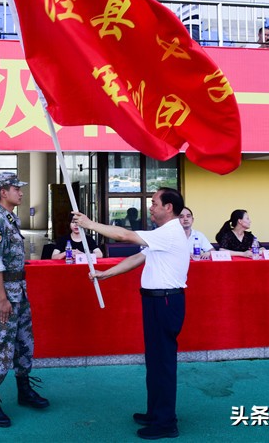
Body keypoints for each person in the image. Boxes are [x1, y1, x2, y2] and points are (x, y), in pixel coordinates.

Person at [73, 188, 188, 440]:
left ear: (169, 207)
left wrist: (89, 223)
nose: (151, 207)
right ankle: (156, 412)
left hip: (166, 302)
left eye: (155, 203)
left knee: (163, 363)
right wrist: (106, 274)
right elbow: (138, 258)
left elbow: (124, 235)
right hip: (157, 302)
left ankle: (166, 422)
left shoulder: (170, 232)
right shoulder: (161, 234)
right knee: (155, 361)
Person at [0, 172, 49, 428]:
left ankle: (23, 390)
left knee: (23, 342)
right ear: (3, 192)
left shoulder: (11, 219)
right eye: (16, 188)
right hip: (5, 293)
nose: (20, 192)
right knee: (1, 347)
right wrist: (1, 298)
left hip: (19, 289)